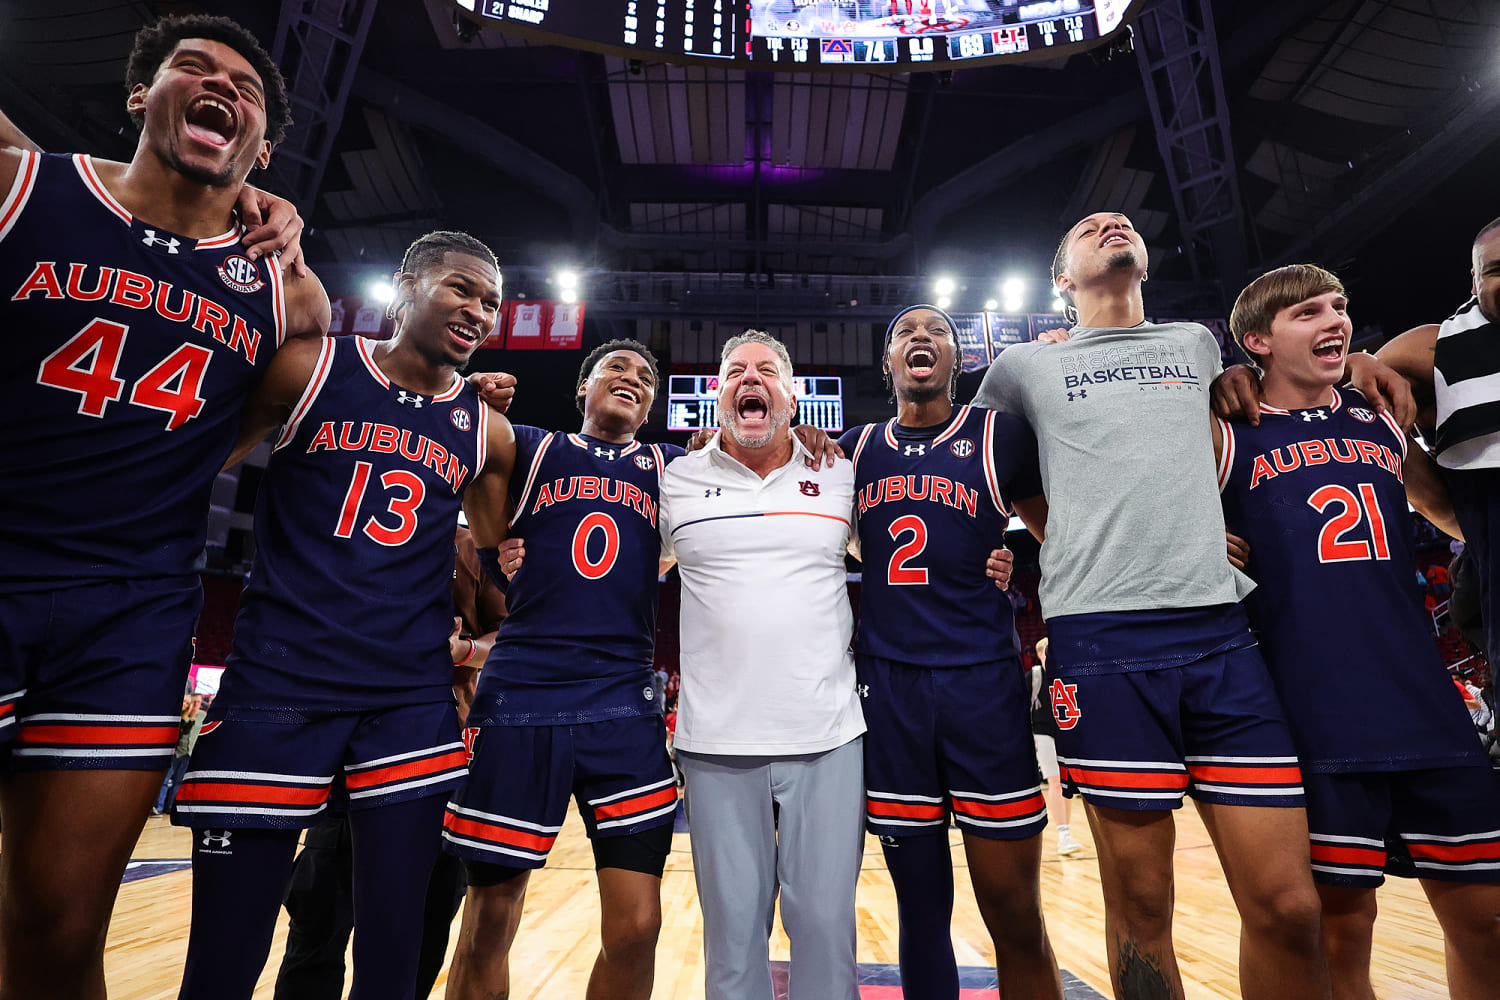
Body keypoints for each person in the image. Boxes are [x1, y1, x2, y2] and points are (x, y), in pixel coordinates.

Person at [0, 15, 329, 998]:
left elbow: (224, 440)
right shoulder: (26, 183)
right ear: (142, 97)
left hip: (131, 608)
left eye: (245, 84)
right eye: (194, 67)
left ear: (263, 148)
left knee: (58, 930)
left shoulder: (289, 297)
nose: (218, 82)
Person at [971, 212, 1328, 1000]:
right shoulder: (1023, 366)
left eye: (1122, 220)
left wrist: (1359, 361)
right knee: (1142, 904)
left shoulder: (1198, 347)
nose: (1111, 222)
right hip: (1100, 644)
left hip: (1222, 634)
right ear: (1061, 279)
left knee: (1290, 905)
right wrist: (1058, 535)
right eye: (1089, 227)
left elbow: (1275, 402)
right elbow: (992, 472)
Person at [172, 230, 515, 1000]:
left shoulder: (481, 429)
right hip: (278, 685)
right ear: (405, 284)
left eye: (490, 301)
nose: (478, 310)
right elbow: (191, 462)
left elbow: (500, 550)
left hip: (406, 701)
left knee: (395, 956)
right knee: (226, 955)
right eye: (461, 287)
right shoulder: (310, 364)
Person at [1217, 264, 1500, 1000]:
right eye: (1307, 312)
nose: (1333, 321)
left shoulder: (1379, 416)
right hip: (1315, 705)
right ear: (1257, 340)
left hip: (1420, 693)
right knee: (1345, 928)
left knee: (1488, 918)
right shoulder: (1224, 434)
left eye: (1340, 307)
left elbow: (1448, 511)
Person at [440, 339, 681, 1000]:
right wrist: (476, 394)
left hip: (623, 703)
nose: (631, 377)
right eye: (616, 368)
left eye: (644, 377)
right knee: (488, 921)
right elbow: (458, 438)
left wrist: (798, 433)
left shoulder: (670, 465)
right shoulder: (534, 447)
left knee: (637, 927)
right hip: (524, 695)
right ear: (583, 390)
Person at [836, 304, 1061, 999]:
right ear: (889, 362)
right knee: (921, 911)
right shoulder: (853, 447)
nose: (922, 338)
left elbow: (1061, 538)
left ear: (960, 361)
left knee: (1014, 913)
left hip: (982, 683)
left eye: (937, 331)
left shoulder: (1002, 436)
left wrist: (1011, 565)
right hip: (890, 687)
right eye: (906, 332)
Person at [659, 330, 865, 1000]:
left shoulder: (840, 471)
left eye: (768, 370)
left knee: (827, 931)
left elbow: (913, 549)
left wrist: (992, 561)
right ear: (717, 395)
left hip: (828, 735)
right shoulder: (676, 478)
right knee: (732, 940)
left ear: (793, 395)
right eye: (735, 371)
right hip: (716, 743)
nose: (752, 379)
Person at [272, 523, 507, 1000]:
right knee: (318, 923)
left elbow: (512, 636)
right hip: (349, 751)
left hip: (441, 757)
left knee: (423, 926)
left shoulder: (469, 547)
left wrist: (464, 650)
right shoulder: (351, 534)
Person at [1030, 639, 1082, 858]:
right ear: (1040, 655)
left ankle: (1066, 831)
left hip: (1065, 731)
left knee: (1065, 784)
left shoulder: (1066, 671)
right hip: (1041, 732)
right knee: (1054, 781)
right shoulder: (1033, 676)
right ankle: (1063, 834)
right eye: (1046, 653)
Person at [156, 692, 208, 814]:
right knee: (165, 780)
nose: (195, 705)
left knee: (179, 782)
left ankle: (170, 808)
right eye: (193, 702)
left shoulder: (203, 716)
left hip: (189, 754)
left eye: (198, 702)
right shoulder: (182, 715)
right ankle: (159, 807)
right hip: (176, 752)